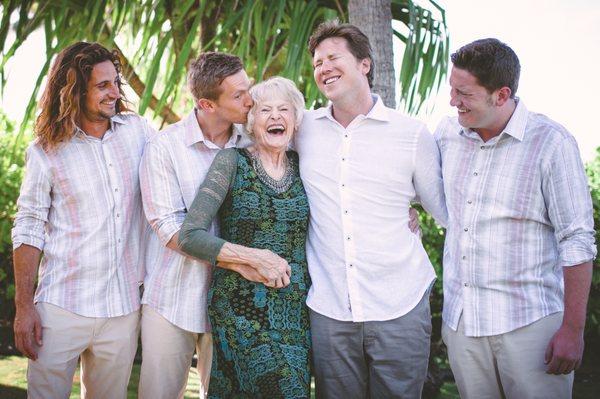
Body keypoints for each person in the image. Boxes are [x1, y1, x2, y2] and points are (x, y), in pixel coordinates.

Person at [294, 21, 447, 398]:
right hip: (329, 309)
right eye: (317, 62)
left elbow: (444, 212)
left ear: (364, 64)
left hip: (400, 303)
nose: (323, 67)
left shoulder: (411, 134)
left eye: (333, 57)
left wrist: (414, 213)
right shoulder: (301, 129)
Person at [435, 38, 596, 399]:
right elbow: (416, 188)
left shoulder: (552, 143)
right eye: (451, 89)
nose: (452, 101)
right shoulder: (447, 135)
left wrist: (573, 329)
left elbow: (578, 240)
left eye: (464, 93)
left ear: (501, 95)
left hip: (531, 327)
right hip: (463, 324)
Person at [138, 52, 289, 398]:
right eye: (239, 95)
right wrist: (248, 260)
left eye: (247, 88)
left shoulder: (254, 143)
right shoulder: (165, 147)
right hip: (172, 299)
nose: (251, 100)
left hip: (235, 304)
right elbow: (171, 230)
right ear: (207, 104)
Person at [11, 42, 152, 398]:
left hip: (122, 309)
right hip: (61, 308)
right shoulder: (45, 151)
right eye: (103, 85)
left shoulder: (139, 133)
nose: (114, 92)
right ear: (75, 90)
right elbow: (28, 228)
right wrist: (24, 308)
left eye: (115, 83)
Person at [177, 76, 311, 398]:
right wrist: (253, 257)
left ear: (295, 120)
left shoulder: (305, 164)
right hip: (240, 308)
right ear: (252, 120)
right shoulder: (231, 161)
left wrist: (408, 211)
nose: (276, 117)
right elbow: (190, 236)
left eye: (284, 109)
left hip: (294, 309)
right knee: (281, 387)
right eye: (266, 110)